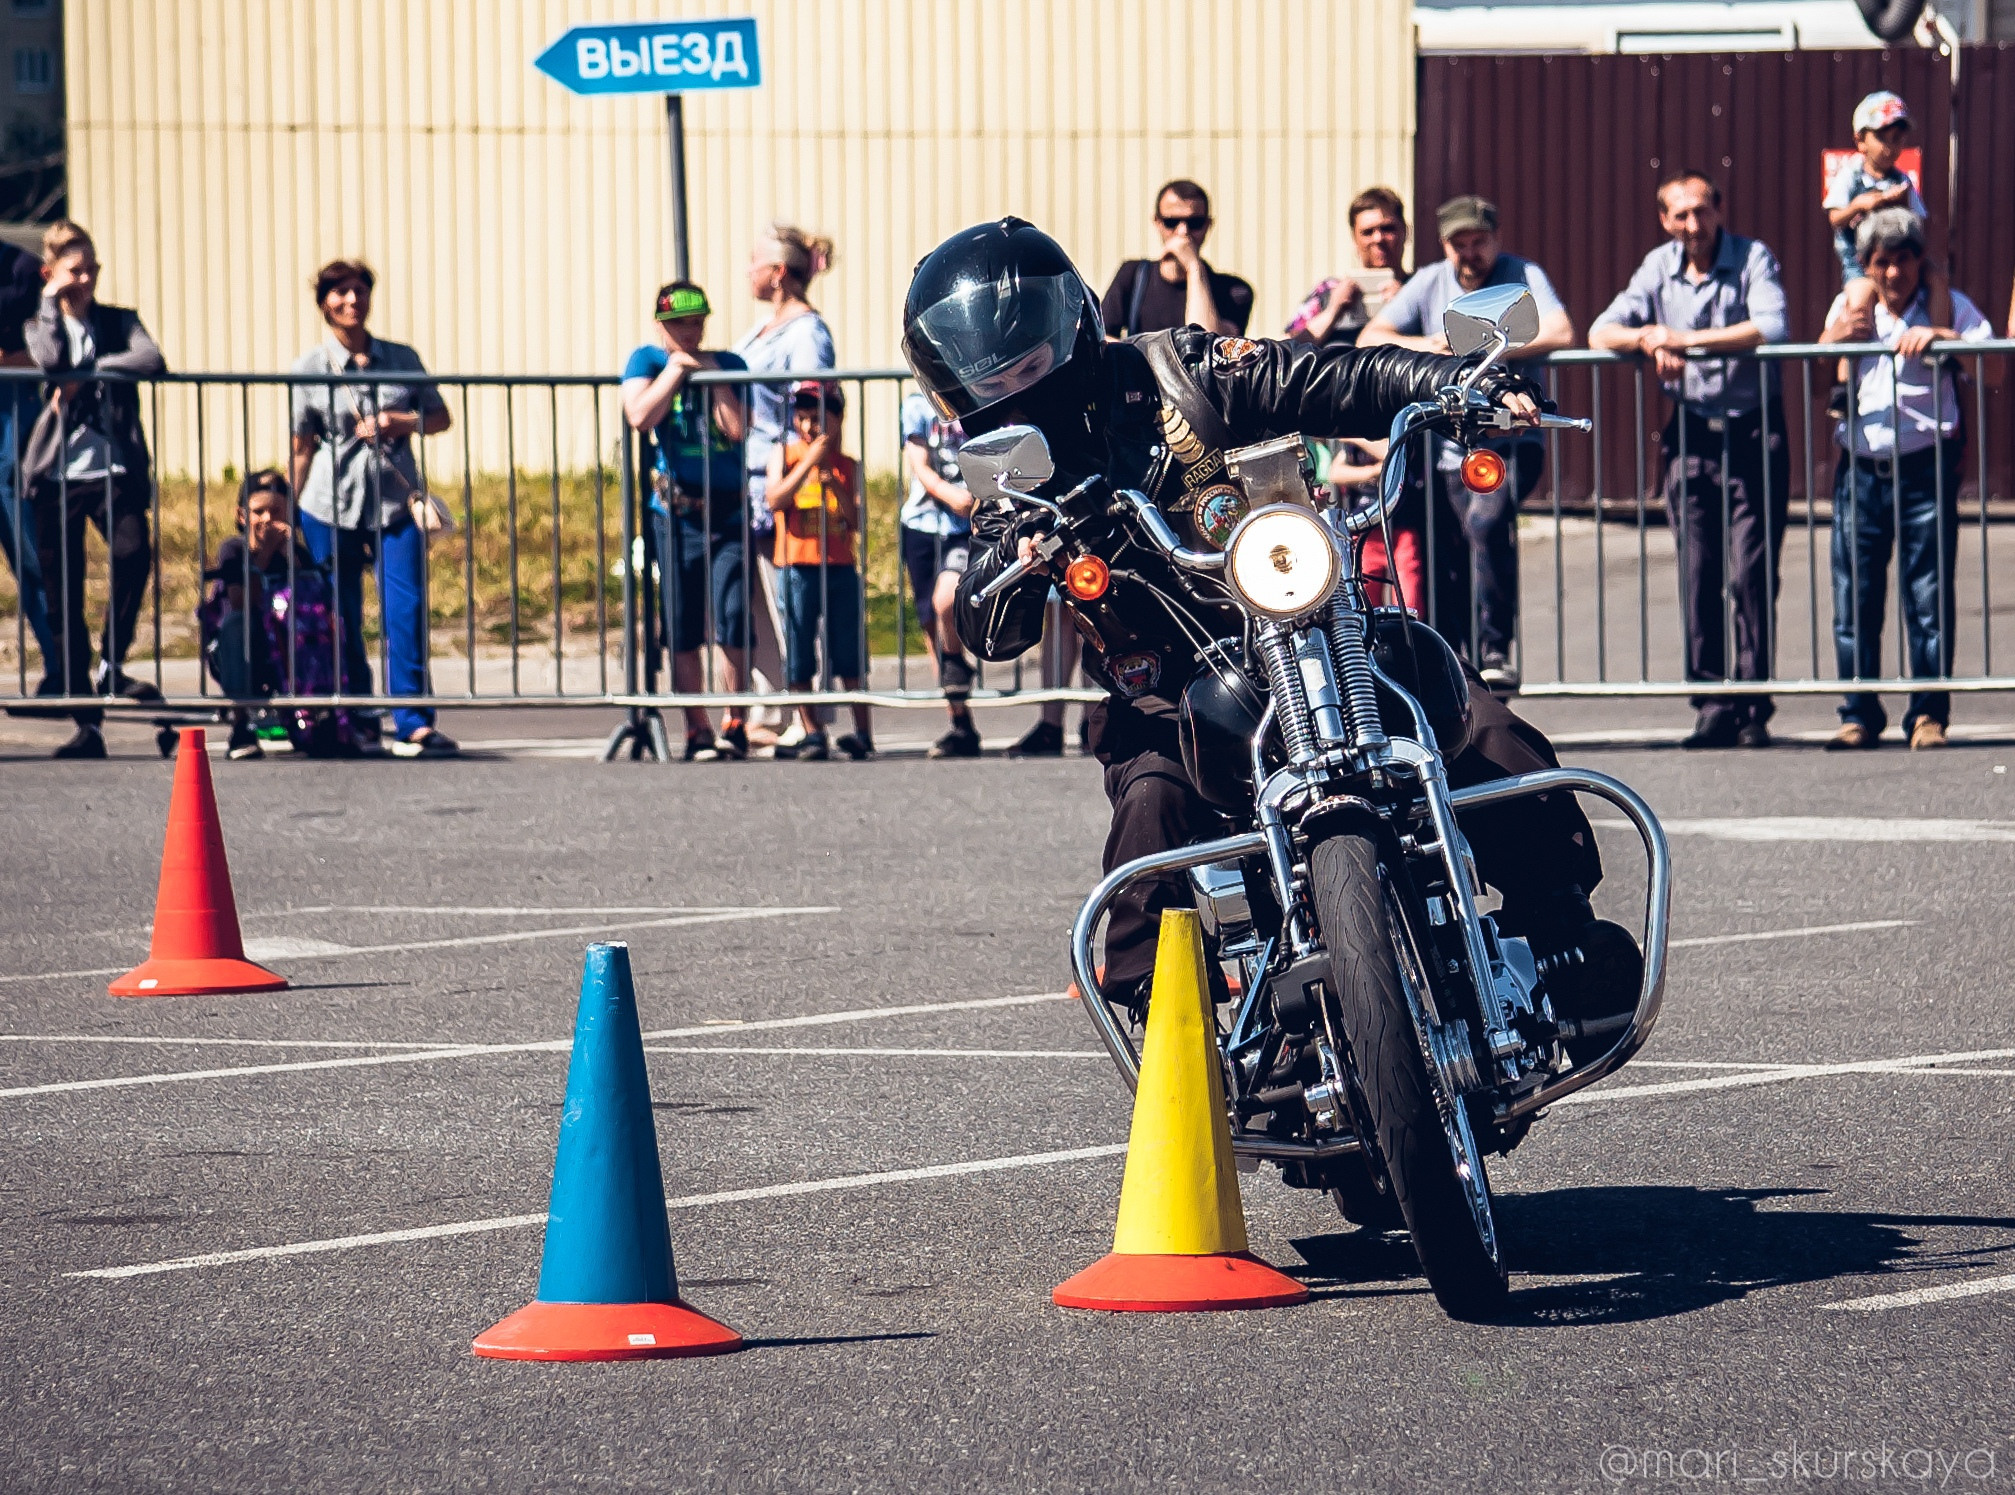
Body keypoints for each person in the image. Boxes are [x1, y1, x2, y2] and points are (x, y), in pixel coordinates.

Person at [906, 218, 1629, 1019]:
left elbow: (1327, 378)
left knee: (1456, 702)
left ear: (1071, 326)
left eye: (1030, 366)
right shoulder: (1015, 475)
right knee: (1151, 805)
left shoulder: (1182, 371)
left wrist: (1453, 386)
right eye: (990, 386)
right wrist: (1015, 564)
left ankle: (1560, 923)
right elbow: (988, 621)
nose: (1015, 392)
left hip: (1313, 631)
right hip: (1173, 696)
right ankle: (1168, 1021)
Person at [1590, 170, 1791, 749]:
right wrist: (1649, 337)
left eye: (1702, 212)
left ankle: (1754, 703)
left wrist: (1684, 341)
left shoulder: (1753, 257)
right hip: (1691, 435)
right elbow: (1604, 330)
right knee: (1698, 571)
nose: (1693, 225)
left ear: (1719, 211)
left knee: (1750, 573)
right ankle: (1712, 702)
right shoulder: (1658, 266)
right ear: (1665, 221)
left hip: (1753, 432)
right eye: (1680, 215)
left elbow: (1773, 326)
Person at [1360, 196, 1576, 686]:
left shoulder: (1522, 274)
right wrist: (1430, 346)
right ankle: (1456, 666)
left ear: (1496, 239)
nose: (1469, 253)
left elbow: (1561, 330)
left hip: (1510, 441)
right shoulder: (1431, 280)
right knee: (1446, 554)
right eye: (1459, 244)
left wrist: (1489, 344)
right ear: (1443, 245)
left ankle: (1495, 648)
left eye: (1479, 242)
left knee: (1488, 523)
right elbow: (1372, 336)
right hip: (1445, 449)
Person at [1817, 209, 1991, 753]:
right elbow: (1813, 372)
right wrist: (1834, 337)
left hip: (1925, 471)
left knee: (1928, 598)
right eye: (1882, 263)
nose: (1894, 273)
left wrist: (1943, 336)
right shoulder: (1852, 307)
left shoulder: (1951, 306)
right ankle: (1858, 714)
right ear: (1867, 267)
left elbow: (1996, 370)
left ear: (1920, 260)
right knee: (1855, 600)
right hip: (1861, 472)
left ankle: (1928, 716)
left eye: (1904, 259)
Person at [289, 258, 456, 758]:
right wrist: (292, 511)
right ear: (324, 304)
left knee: (404, 609)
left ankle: (413, 721)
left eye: (359, 291)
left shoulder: (401, 357)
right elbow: (302, 445)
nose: (351, 301)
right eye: (339, 293)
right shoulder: (309, 369)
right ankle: (356, 714)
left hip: (395, 503)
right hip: (328, 503)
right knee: (340, 612)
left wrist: (401, 421)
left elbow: (440, 416)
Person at [22, 221, 165, 759]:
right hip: (57, 475)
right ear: (52, 273)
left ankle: (111, 662)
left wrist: (92, 370)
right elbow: (51, 362)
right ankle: (88, 724)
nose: (86, 278)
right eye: (75, 269)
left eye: (92, 268)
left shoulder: (118, 321)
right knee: (65, 597)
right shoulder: (38, 323)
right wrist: (49, 306)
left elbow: (151, 358)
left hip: (114, 469)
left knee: (133, 553)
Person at [622, 280, 752, 761]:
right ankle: (696, 726)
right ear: (662, 324)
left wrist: (714, 377)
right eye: (680, 324)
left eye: (697, 322)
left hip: (728, 509)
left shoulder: (730, 364)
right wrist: (676, 371)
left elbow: (738, 429)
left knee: (733, 614)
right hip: (675, 514)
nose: (690, 332)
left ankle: (734, 719)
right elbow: (640, 414)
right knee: (681, 623)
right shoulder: (647, 361)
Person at [734, 223, 837, 742]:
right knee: (757, 601)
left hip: (784, 483)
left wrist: (803, 477)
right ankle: (772, 709)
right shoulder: (762, 329)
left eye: (754, 262)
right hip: (748, 480)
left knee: (788, 600)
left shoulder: (806, 333)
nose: (746, 271)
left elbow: (815, 409)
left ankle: (808, 716)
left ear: (778, 273)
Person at [197, 470, 351, 761]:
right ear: (243, 515)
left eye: (276, 511)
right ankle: (242, 726)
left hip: (291, 644)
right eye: (259, 511)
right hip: (243, 648)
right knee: (237, 626)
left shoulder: (297, 552)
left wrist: (290, 554)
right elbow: (242, 601)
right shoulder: (233, 549)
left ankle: (320, 717)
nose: (267, 519)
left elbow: (315, 597)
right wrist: (264, 554)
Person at [765, 380, 872, 761]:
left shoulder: (847, 466)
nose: (809, 428)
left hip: (839, 566)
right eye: (803, 418)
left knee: (849, 653)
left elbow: (856, 520)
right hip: (797, 565)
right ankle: (811, 730)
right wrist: (809, 463)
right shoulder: (785, 455)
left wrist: (834, 483)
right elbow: (774, 499)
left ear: (837, 421)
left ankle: (862, 731)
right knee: (799, 651)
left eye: (818, 420)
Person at [898, 388, 982, 758]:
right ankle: (959, 720)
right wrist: (952, 497)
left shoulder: (976, 397)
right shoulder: (917, 405)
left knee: (945, 600)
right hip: (921, 525)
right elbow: (920, 467)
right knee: (930, 621)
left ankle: (957, 669)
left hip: (962, 529)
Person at [1099, 180, 1253, 340]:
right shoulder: (1133, 275)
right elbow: (1102, 338)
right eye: (1171, 222)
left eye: (1195, 223)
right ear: (1157, 223)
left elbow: (1207, 345)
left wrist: (1194, 268)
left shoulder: (1235, 291)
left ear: (1208, 225)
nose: (1183, 231)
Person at [0, 234, 54, 685]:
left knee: (29, 556)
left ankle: (61, 668)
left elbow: (45, 352)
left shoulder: (24, 270)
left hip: (13, 422)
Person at [1286, 186, 1413, 348]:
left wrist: (1407, 306)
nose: (1378, 238)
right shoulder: (1327, 292)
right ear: (1354, 239)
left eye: (1387, 229)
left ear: (1406, 231)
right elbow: (1285, 351)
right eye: (1368, 232)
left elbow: (1441, 346)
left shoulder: (1422, 289)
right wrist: (1332, 312)